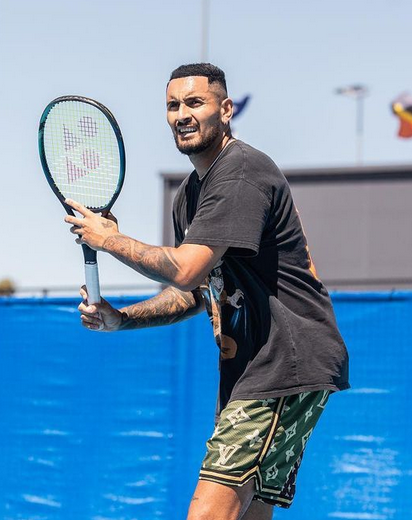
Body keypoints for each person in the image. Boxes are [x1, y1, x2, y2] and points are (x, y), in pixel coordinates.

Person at [63, 63, 350, 520]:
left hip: (283, 363)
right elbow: (196, 290)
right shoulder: (191, 194)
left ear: (226, 109)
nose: (181, 114)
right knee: (249, 513)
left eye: (195, 102)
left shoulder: (239, 173)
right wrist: (123, 317)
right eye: (173, 105)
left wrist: (107, 239)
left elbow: (185, 268)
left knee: (208, 514)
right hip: (258, 370)